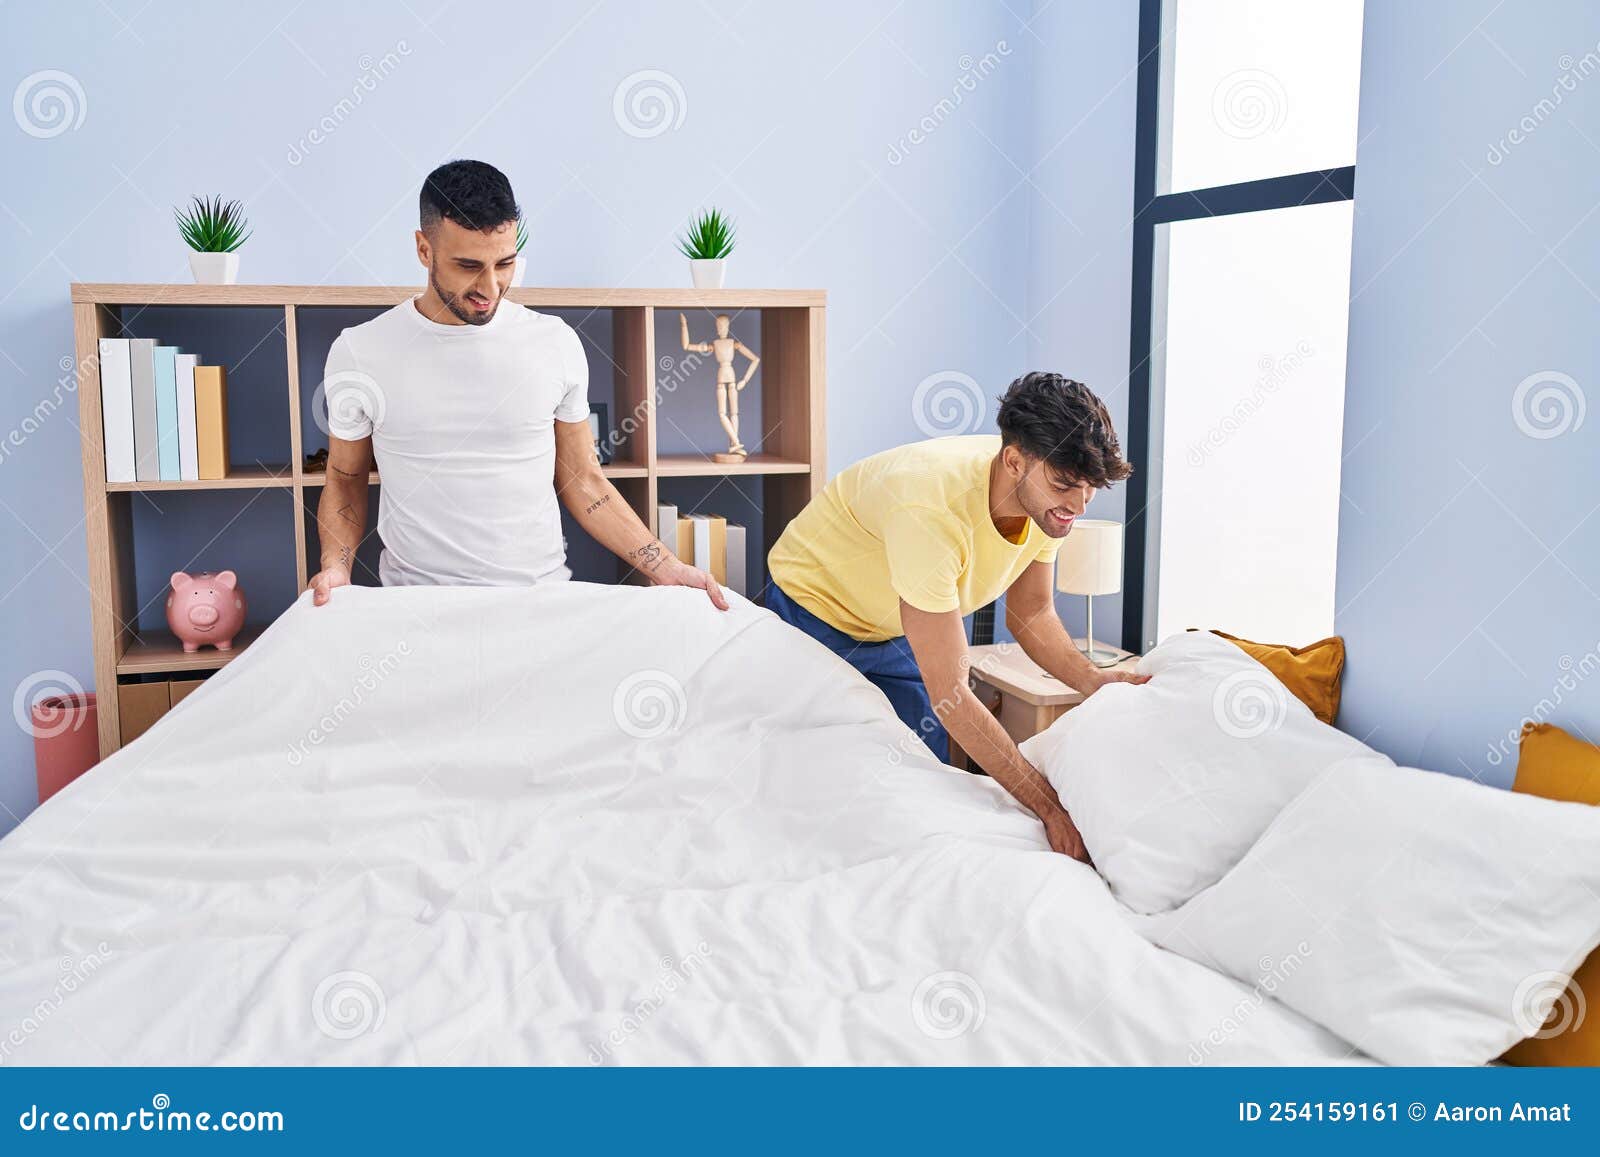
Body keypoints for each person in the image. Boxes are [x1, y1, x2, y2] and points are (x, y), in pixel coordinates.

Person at [307, 159, 724, 610]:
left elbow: (583, 478)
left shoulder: (555, 343)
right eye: (468, 265)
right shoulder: (361, 352)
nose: (490, 286)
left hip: (541, 601)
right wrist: (337, 566)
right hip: (418, 608)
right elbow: (346, 478)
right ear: (423, 250)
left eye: (505, 263)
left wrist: (662, 565)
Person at [766, 372, 1147, 860]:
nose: (1077, 505)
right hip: (806, 616)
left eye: (1090, 489)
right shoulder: (929, 504)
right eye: (1065, 486)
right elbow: (952, 695)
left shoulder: (1046, 503)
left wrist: (1094, 680)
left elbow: (1030, 614)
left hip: (894, 631)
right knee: (803, 788)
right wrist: (1049, 809)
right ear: (1013, 461)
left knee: (913, 794)